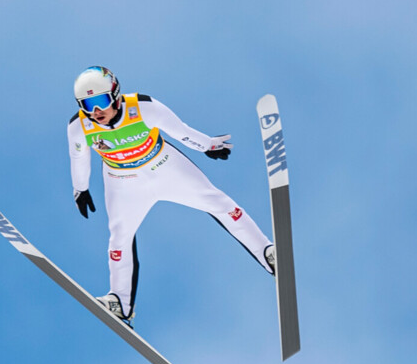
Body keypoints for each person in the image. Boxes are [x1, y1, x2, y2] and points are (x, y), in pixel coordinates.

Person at [67, 66, 275, 325]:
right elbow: (78, 157)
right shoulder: (79, 126)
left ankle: (267, 253)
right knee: (119, 237)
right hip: (122, 182)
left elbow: (181, 131)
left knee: (218, 202)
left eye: (100, 101)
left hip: (164, 166)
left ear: (116, 95)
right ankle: (120, 302)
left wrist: (208, 145)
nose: (96, 111)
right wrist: (81, 188)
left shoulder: (143, 108)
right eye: (87, 104)